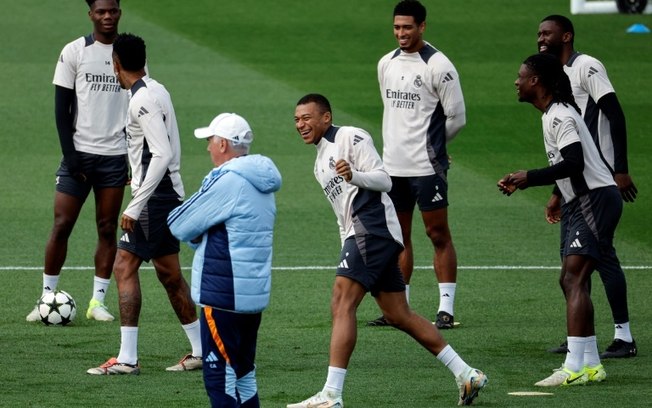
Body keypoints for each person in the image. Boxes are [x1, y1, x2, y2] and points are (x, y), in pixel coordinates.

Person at [288, 94, 486, 407]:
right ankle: (466, 374)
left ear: (326, 117)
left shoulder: (350, 137)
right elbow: (343, 214)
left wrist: (354, 175)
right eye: (297, 119)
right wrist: (346, 246)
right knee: (398, 314)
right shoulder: (318, 163)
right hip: (362, 234)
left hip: (373, 229)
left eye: (307, 117)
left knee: (341, 302)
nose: (301, 124)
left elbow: (384, 180)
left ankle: (331, 395)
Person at [498, 53, 621, 386]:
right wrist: (556, 194)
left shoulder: (560, 116)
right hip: (581, 202)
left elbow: (575, 162)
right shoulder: (553, 114)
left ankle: (573, 367)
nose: (516, 81)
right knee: (570, 279)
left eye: (520, 76)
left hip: (594, 200)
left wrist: (529, 177)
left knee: (573, 279)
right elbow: (569, 165)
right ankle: (591, 364)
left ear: (535, 82)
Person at [87, 33, 201, 375]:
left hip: (154, 200)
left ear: (115, 64)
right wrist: (134, 172)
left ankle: (127, 358)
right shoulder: (156, 89)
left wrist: (136, 203)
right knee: (169, 274)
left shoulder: (140, 101)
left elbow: (162, 153)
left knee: (123, 266)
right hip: (163, 193)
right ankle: (202, 350)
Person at [537, 14, 637, 358]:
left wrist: (620, 169)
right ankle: (579, 332)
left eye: (546, 33)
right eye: (538, 34)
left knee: (600, 258)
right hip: (574, 185)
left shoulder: (586, 67)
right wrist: (556, 192)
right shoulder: (553, 78)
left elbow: (615, 113)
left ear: (566, 36)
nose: (540, 39)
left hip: (598, 179)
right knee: (572, 261)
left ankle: (622, 337)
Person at [168, 113, 281, 407]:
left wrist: (199, 233)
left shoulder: (228, 181)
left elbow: (180, 224)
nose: (207, 147)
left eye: (210, 141)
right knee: (244, 375)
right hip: (251, 296)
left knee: (219, 380)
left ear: (222, 144)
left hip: (223, 296)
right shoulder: (263, 182)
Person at [26, 0, 128, 323]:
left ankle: (97, 303)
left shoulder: (128, 53)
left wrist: (131, 156)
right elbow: (61, 108)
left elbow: (136, 101)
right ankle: (46, 296)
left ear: (119, 12)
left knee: (107, 228)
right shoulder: (74, 51)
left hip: (114, 157)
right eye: (101, 11)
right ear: (90, 15)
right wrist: (70, 155)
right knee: (61, 224)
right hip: (79, 154)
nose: (107, 16)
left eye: (112, 11)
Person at [372, 0, 466, 328]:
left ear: (422, 27)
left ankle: (446, 309)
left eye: (407, 27)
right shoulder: (386, 63)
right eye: (397, 27)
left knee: (437, 233)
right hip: (392, 167)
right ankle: (401, 309)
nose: (401, 33)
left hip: (427, 168)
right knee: (399, 236)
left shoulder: (439, 66)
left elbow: (457, 118)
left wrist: (437, 147)